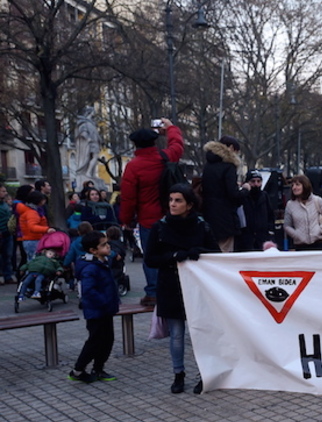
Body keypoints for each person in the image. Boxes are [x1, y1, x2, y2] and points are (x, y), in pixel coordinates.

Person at [145, 184, 220, 394]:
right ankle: (178, 374)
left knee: (200, 333)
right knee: (177, 335)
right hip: (171, 285)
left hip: (197, 287)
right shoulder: (160, 227)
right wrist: (173, 256)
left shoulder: (201, 225)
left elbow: (216, 253)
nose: (173, 204)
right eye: (171, 200)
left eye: (178, 200)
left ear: (189, 204)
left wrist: (199, 251)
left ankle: (204, 373)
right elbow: (150, 259)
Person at [120, 117, 184, 307]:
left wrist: (125, 220)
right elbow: (178, 145)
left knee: (151, 256)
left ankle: (154, 293)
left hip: (148, 219)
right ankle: (177, 288)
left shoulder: (133, 166)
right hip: (171, 215)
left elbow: (128, 198)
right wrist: (171, 128)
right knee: (173, 252)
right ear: (154, 142)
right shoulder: (165, 157)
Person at [68, 231, 120, 384]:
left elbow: (114, 255)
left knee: (107, 340)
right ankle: (78, 370)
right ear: (93, 250)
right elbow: (89, 291)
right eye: (103, 245)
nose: (108, 246)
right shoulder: (90, 268)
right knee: (95, 341)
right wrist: (104, 301)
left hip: (105, 309)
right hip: (97, 311)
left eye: (107, 243)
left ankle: (98, 368)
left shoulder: (101, 261)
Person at [201, 136, 244, 252]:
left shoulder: (208, 165)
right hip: (225, 217)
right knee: (225, 252)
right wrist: (245, 190)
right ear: (230, 148)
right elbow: (233, 194)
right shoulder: (229, 167)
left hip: (209, 213)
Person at [284, 174, 322, 251]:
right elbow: (287, 225)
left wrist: (320, 230)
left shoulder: (317, 200)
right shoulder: (290, 204)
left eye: (297, 185)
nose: (294, 187)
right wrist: (296, 235)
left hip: (319, 243)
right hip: (300, 245)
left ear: (305, 185)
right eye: (293, 185)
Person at [237, 171, 276, 251]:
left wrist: (270, 231)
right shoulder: (243, 197)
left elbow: (270, 215)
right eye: (253, 181)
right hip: (246, 238)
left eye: (258, 181)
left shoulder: (264, 196)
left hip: (262, 237)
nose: (256, 184)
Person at [17, 190, 55, 260]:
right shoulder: (32, 213)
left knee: (31, 261)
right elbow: (32, 227)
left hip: (31, 239)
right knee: (34, 262)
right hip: (33, 240)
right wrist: (46, 229)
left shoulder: (30, 210)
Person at [0, 184, 15, 284]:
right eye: (3, 191)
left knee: (7, 256)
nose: (5, 193)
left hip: (7, 233)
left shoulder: (5, 204)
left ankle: (8, 276)